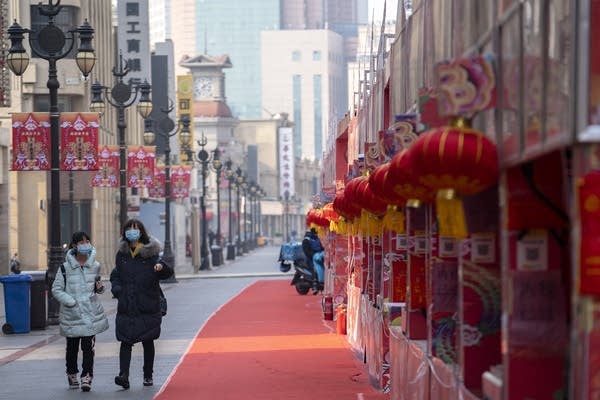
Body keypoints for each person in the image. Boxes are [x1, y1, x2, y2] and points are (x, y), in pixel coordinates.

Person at [110, 218, 173, 389]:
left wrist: (161, 267)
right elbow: (116, 274)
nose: (132, 232)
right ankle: (124, 375)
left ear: (141, 232)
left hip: (147, 303)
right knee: (125, 341)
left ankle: (148, 375)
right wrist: (117, 289)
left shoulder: (150, 253)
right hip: (127, 303)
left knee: (147, 340)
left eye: (135, 229)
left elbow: (167, 272)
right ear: (124, 232)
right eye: (129, 228)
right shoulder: (122, 254)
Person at [51, 231, 109, 392]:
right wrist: (71, 302)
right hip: (72, 315)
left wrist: (100, 288)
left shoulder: (95, 265)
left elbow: (98, 288)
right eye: (81, 242)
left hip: (90, 314)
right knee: (72, 348)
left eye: (87, 241)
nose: (85, 244)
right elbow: (56, 289)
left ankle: (87, 376)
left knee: (88, 347)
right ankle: (72, 373)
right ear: (74, 245)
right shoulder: (64, 268)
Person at [302, 227, 325, 294]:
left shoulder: (318, 239)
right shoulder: (306, 240)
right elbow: (307, 251)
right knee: (316, 268)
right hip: (310, 259)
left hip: (319, 257)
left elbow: (322, 248)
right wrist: (314, 256)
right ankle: (315, 285)